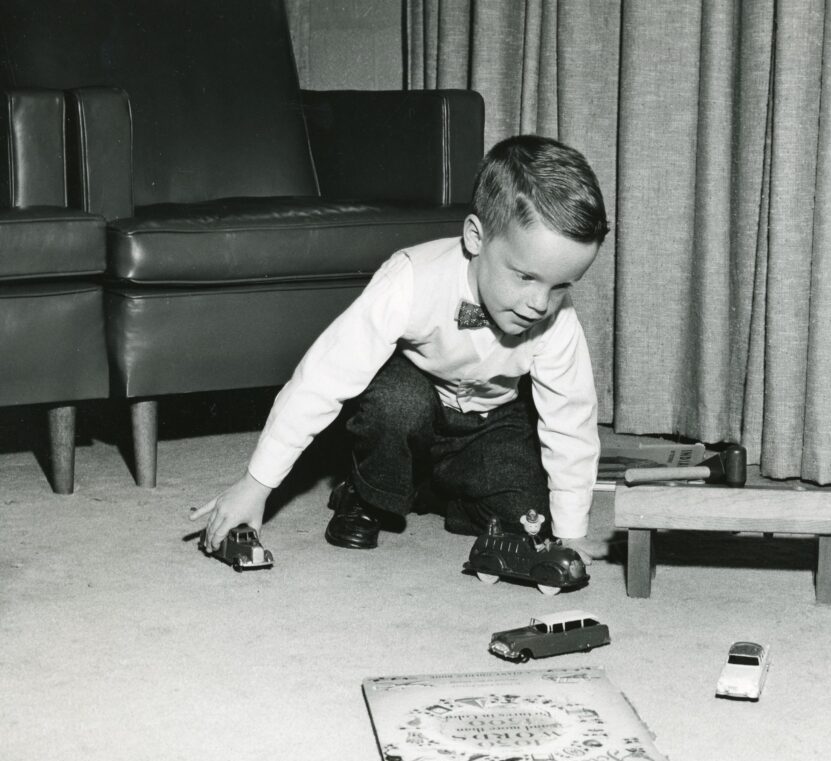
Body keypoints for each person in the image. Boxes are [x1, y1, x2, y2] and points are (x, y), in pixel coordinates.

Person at [190, 134, 609, 561]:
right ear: (475, 237)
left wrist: (572, 531)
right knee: (397, 400)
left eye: (560, 286)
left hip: (490, 419)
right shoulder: (409, 279)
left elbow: (570, 420)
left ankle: (421, 486)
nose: (540, 304)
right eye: (525, 277)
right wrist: (256, 484)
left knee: (528, 520)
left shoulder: (559, 321)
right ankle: (368, 491)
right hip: (413, 402)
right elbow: (322, 377)